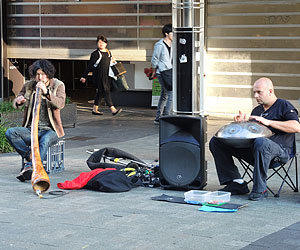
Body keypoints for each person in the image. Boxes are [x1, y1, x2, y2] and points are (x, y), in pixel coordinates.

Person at [209, 77, 300, 201]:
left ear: (270, 91)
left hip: (280, 152)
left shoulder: (283, 105)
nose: (256, 96)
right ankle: (236, 183)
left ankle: (260, 189)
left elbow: (296, 127)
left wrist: (268, 122)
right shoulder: (257, 110)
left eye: (259, 92)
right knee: (217, 142)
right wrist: (242, 124)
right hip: (256, 151)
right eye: (254, 93)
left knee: (260, 142)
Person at [5, 59, 66, 182]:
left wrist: (47, 92)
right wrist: (18, 101)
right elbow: (17, 101)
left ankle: (31, 166)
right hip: (31, 129)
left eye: (43, 74)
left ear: (48, 74)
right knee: (10, 132)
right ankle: (30, 159)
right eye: (37, 74)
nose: (40, 77)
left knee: (45, 140)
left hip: (50, 130)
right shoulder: (28, 85)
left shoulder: (58, 85)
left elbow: (60, 103)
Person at [80, 35, 122, 116]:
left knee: (101, 92)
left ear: (106, 44)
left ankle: (95, 109)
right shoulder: (95, 54)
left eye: (103, 42)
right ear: (97, 44)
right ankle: (113, 109)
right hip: (99, 76)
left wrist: (113, 60)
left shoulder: (108, 52)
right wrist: (84, 76)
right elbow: (90, 66)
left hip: (107, 76)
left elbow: (110, 63)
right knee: (106, 91)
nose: (101, 44)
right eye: (99, 42)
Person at [151, 24, 173, 125]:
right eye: (172, 33)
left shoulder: (172, 44)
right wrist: (154, 70)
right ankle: (166, 117)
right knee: (171, 94)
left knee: (164, 95)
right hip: (162, 72)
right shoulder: (159, 45)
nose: (174, 34)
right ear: (166, 33)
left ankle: (158, 118)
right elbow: (155, 59)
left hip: (169, 71)